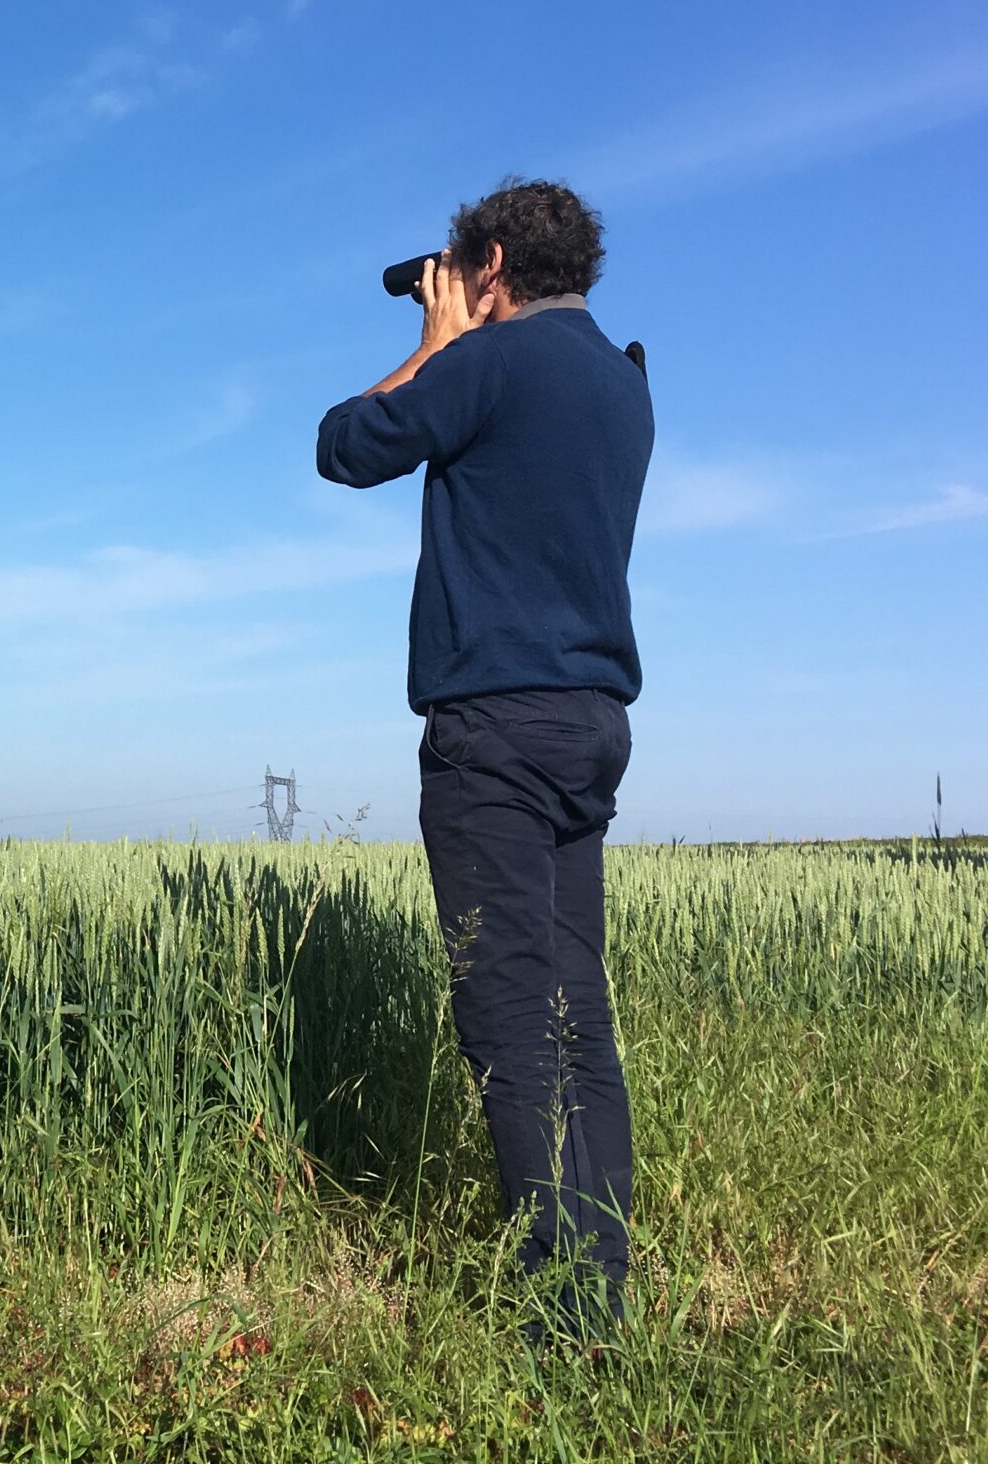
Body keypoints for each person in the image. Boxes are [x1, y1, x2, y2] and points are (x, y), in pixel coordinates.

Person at [315, 176, 653, 1339]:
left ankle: (563, 1327)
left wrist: (432, 338)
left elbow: (343, 447)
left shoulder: (483, 364)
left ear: (491, 262)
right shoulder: (622, 382)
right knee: (575, 1016)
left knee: (510, 1016)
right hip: (590, 721)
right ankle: (600, 1295)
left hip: (494, 728)